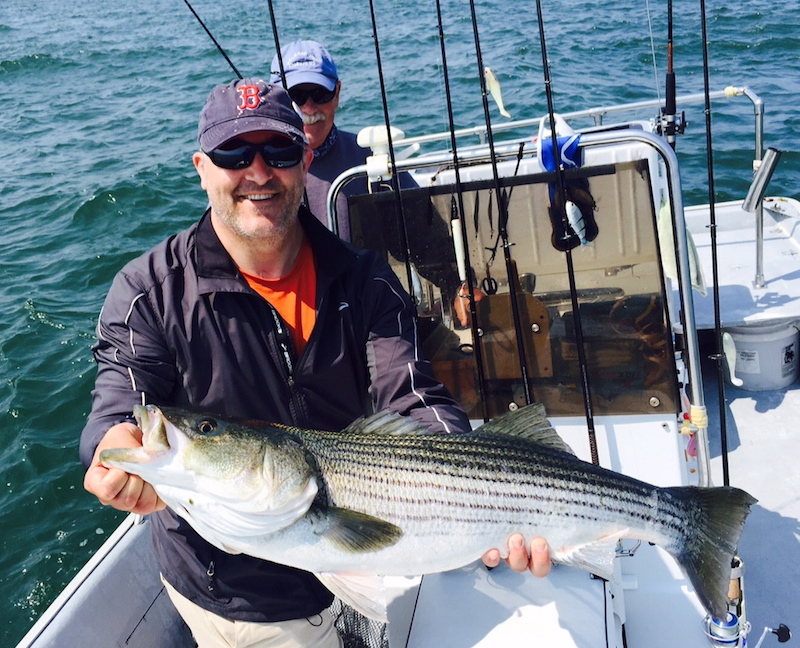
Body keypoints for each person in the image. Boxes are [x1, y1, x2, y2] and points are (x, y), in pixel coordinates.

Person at [81, 78, 550, 648]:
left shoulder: (365, 276)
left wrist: (487, 492)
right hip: (243, 595)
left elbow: (410, 396)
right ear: (202, 167)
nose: (259, 173)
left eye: (278, 152)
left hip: (364, 545)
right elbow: (115, 411)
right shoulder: (148, 292)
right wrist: (117, 451)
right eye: (234, 154)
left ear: (304, 160)